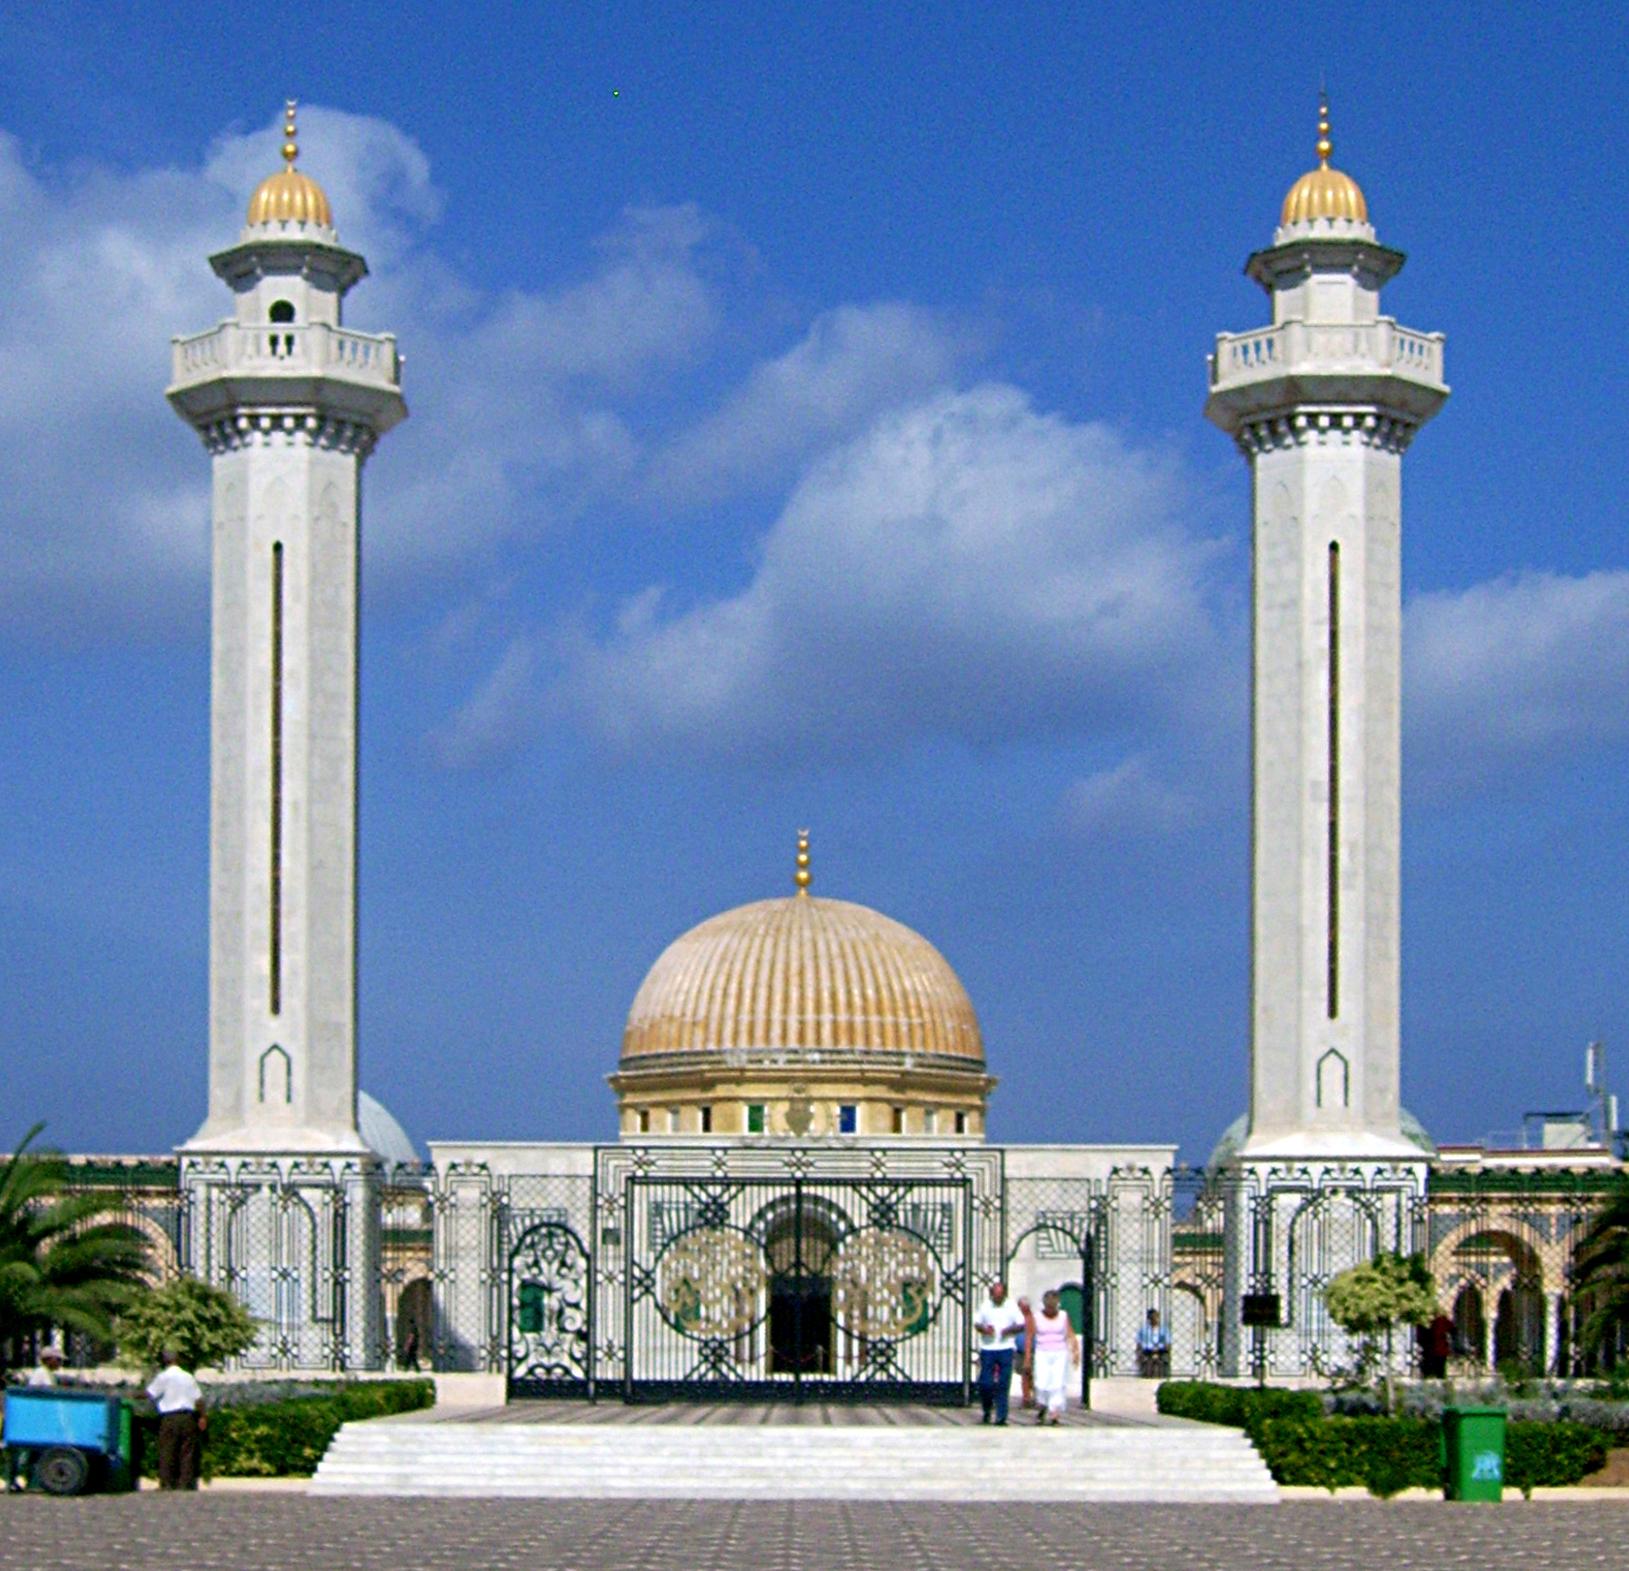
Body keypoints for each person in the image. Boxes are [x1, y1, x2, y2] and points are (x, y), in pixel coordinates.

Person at [146, 1349, 206, 1490]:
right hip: (188, 1417)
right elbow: (198, 1400)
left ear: (164, 1361)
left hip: (169, 1417)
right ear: (178, 1360)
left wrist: (132, 1395)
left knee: (167, 1450)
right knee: (187, 1451)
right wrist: (202, 1417)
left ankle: (167, 1482)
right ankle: (185, 1483)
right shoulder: (188, 1377)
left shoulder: (163, 1377)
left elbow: (150, 1393)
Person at [972, 1281, 1026, 1425]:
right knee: (985, 1383)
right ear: (991, 1294)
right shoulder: (985, 1306)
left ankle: (1001, 1416)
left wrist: (1008, 1330)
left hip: (1006, 1348)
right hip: (988, 1348)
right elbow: (977, 1323)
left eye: (1000, 1295)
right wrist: (985, 1330)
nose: (998, 1298)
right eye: (995, 1295)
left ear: (1004, 1295)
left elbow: (1021, 1324)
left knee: (1003, 1383)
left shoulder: (1011, 1306)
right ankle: (987, 1409)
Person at [1030, 1289, 1080, 1425]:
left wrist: (1075, 1352)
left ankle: (1054, 1412)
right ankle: (1042, 1405)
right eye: (1048, 1305)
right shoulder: (1037, 1317)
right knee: (1041, 1381)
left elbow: (1070, 1334)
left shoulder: (1063, 1316)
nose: (1051, 1308)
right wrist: (1028, 1357)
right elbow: (1030, 1337)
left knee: (1057, 1382)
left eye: (1053, 1304)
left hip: (1059, 1352)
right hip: (1042, 1352)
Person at [1014, 1295, 1037, 1410]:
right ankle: (1028, 1397)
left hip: (1029, 1351)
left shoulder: (1030, 1318)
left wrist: (1028, 1355)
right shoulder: (1018, 1317)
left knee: (1027, 1374)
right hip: (1020, 1350)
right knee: (1024, 1374)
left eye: (1022, 1306)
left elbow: (1030, 1336)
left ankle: (1028, 1398)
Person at [1135, 1308, 1171, 1379]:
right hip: (1147, 1351)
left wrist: (1158, 1348)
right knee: (1145, 1358)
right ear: (1149, 1319)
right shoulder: (1143, 1330)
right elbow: (1139, 1343)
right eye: (1152, 1317)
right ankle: (1146, 1373)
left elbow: (1168, 1343)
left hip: (1161, 1350)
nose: (1155, 1319)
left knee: (1164, 1358)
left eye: (1156, 1317)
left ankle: (1163, 1374)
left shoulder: (1164, 1330)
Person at [1418, 1311, 1454, 1379]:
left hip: (1432, 1350)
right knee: (1439, 1370)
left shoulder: (1425, 1321)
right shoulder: (1441, 1320)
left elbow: (1419, 1338)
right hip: (1437, 1349)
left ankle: (1429, 1375)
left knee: (1431, 1370)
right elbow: (1453, 1330)